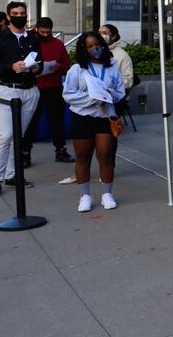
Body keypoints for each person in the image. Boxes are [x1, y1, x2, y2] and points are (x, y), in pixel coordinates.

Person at [0, 2, 43, 199]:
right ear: (8, 16)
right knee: (6, 135)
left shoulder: (33, 39)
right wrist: (11, 67)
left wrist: (35, 68)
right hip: (7, 91)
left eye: (23, 13)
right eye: (15, 13)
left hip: (30, 90)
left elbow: (40, 64)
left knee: (19, 136)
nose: (19, 16)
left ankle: (12, 175)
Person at [62, 32, 126, 212]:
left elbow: (120, 92)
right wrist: (92, 98)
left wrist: (108, 94)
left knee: (105, 155)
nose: (94, 49)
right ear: (84, 49)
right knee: (83, 157)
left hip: (105, 117)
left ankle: (107, 194)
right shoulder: (77, 69)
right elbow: (68, 94)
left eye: (97, 45)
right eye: (89, 46)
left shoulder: (112, 67)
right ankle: (85, 196)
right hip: (83, 117)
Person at [21, 17, 73, 167]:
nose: (45, 34)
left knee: (57, 120)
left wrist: (59, 67)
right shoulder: (29, 42)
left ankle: (60, 150)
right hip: (34, 86)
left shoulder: (57, 44)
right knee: (31, 121)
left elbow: (67, 64)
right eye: (42, 32)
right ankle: (25, 152)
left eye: (48, 32)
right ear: (37, 29)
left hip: (54, 86)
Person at [99, 24, 134, 90]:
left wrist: (110, 84)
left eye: (104, 33)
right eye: (99, 33)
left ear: (113, 36)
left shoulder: (122, 55)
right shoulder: (95, 51)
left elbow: (128, 81)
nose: (100, 36)